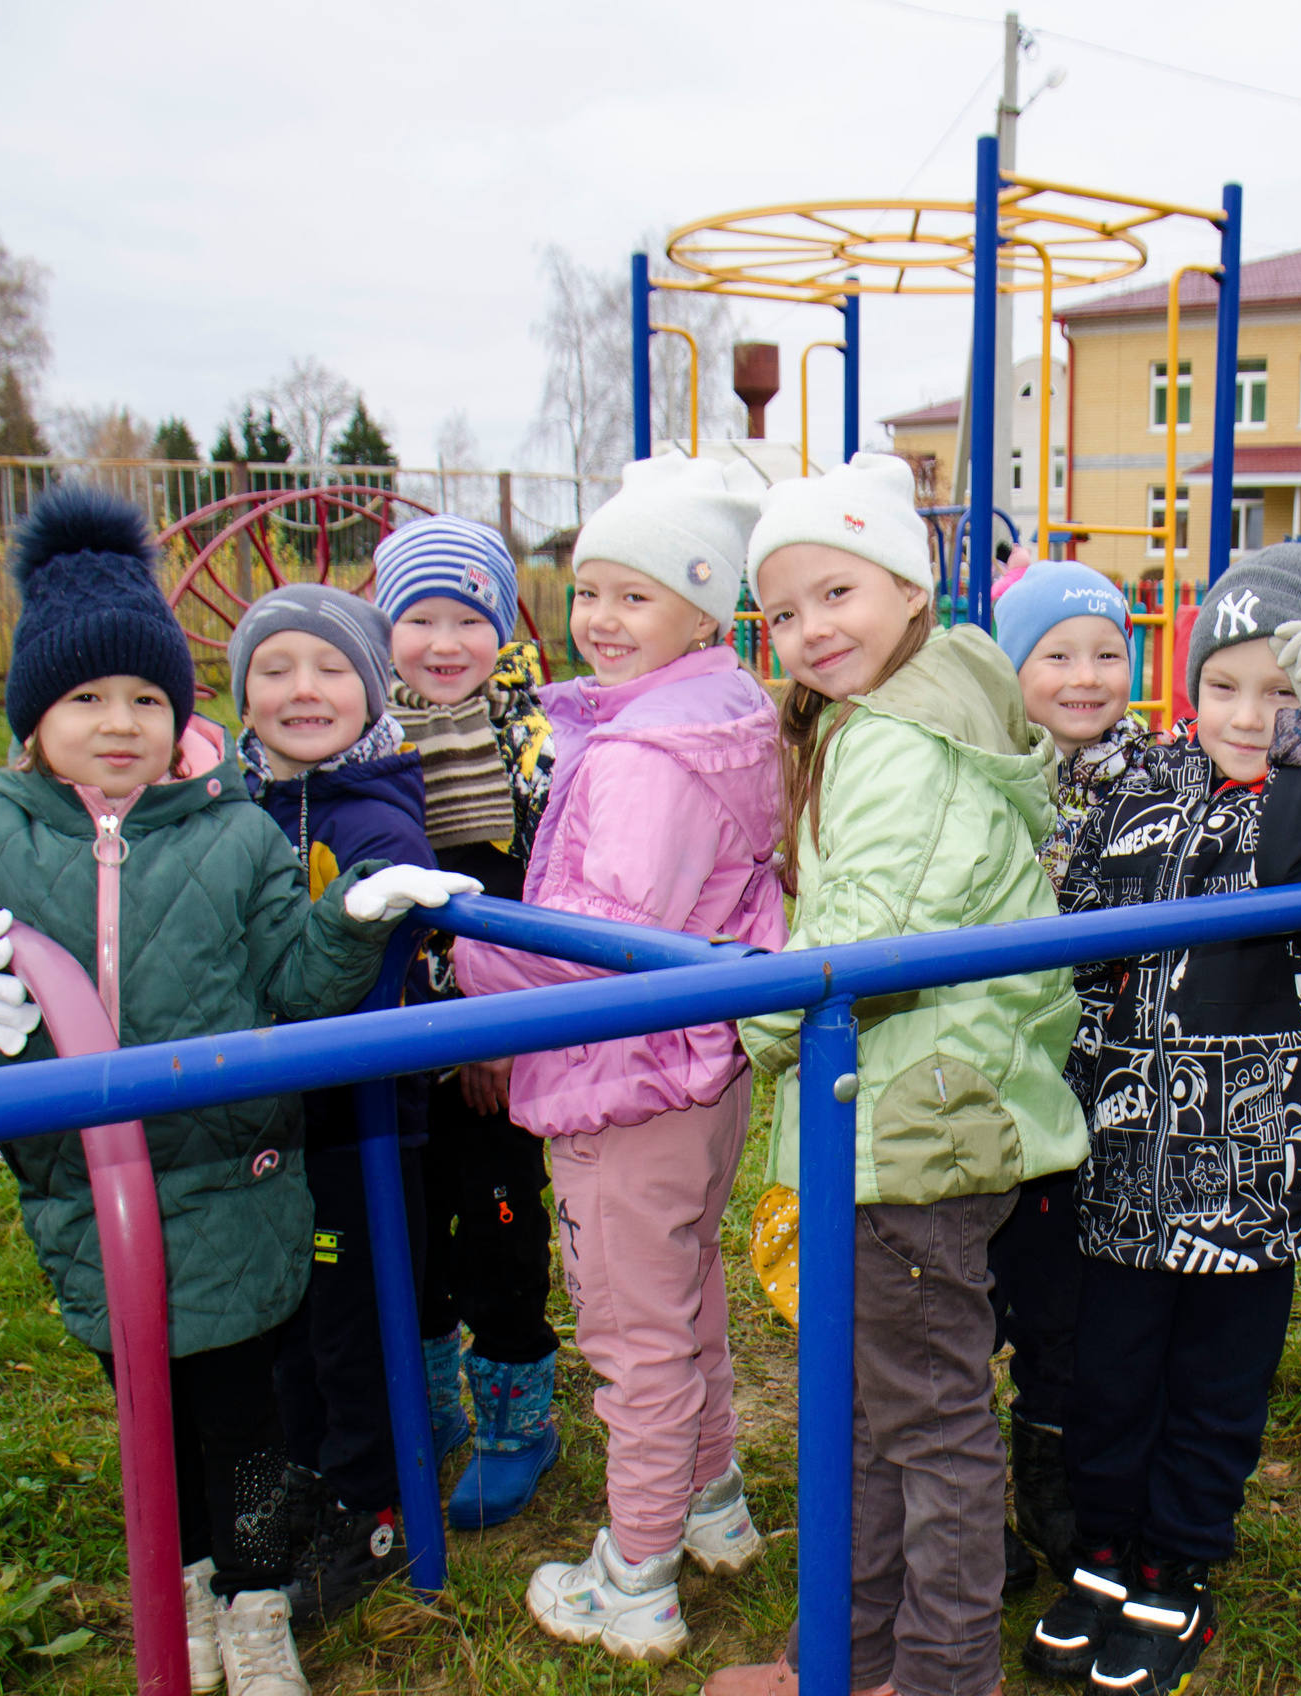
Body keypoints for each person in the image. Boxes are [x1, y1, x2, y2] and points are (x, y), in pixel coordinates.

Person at [0, 489, 473, 1696]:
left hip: (237, 1183)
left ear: (179, 713)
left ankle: (258, 1601)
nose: (118, 723)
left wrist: (346, 918)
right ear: (34, 716)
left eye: (146, 698)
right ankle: (177, 1580)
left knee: (251, 1421)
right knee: (150, 1415)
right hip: (83, 1193)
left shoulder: (227, 833)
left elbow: (293, 971)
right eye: (86, 698)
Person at [708, 452, 1088, 1696]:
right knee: (871, 1415)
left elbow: (860, 935)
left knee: (920, 1425)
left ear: (907, 587)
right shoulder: (904, 706)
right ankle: (851, 1653)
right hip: (914, 1106)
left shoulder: (900, 741)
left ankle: (931, 1675)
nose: (811, 629)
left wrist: (744, 1023)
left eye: (837, 593)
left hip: (913, 1124)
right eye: (782, 610)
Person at [1021, 543, 1301, 1693]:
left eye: (1281, 693)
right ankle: (1105, 1548)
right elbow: (1071, 927)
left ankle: (1181, 1562)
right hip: (1125, 1150)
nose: (1248, 715)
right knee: (1113, 1368)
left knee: (1216, 1380)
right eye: (1224, 686)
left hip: (1253, 1161)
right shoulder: (1144, 782)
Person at [451, 459, 786, 1663]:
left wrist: (459, 964)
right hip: (693, 1074)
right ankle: (711, 1505)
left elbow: (596, 945)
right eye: (588, 589)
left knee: (632, 1334)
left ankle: (635, 1575)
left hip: (619, 1079)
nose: (597, 617)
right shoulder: (722, 714)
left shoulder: (650, 756)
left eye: (633, 595)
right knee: (683, 1296)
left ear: (703, 610)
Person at [230, 584, 437, 1625]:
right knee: (282, 1323)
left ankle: (372, 1503)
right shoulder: (232, 807)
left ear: (370, 687)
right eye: (274, 671)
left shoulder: (377, 811)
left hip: (358, 1115)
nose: (302, 691)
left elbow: (375, 961)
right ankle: (305, 1476)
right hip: (265, 1121)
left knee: (352, 1321)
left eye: (329, 669)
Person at [373, 514, 565, 1529]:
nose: (444, 643)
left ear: (501, 629)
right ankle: (438, 1401)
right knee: (403, 1226)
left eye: (467, 618)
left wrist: (494, 1026)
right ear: (384, 626)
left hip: (489, 1032)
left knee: (496, 1221)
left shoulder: (529, 742)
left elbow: (541, 893)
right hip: (387, 1040)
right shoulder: (359, 729)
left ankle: (513, 1420)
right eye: (419, 619)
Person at [987, 555, 1144, 1591]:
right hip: (1000, 1075)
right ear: (1012, 669)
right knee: (975, 1288)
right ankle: (955, 1479)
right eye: (1056, 655)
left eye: (1107, 652)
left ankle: (1048, 1455)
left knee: (1071, 1298)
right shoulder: (990, 775)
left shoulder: (1159, 776)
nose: (1085, 676)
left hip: (1109, 1083)